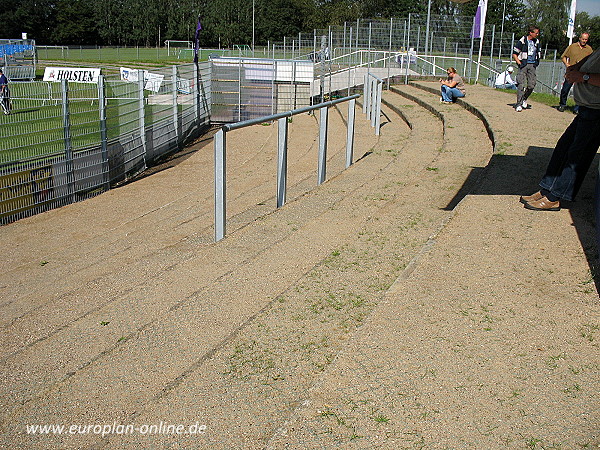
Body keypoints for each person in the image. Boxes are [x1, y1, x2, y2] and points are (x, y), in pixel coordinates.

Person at [520, 50, 600, 211]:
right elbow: (585, 61)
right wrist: (575, 68)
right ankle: (548, 188)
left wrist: (583, 77)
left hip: (596, 110)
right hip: (587, 107)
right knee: (564, 147)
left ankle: (556, 196)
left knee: (577, 155)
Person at [558, 32, 593, 112]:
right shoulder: (572, 47)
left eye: (586, 39)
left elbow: (591, 61)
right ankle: (562, 104)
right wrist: (567, 65)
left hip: (582, 73)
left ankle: (577, 107)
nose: (584, 41)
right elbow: (563, 57)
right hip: (572, 71)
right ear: (580, 38)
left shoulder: (589, 49)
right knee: (565, 89)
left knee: (581, 91)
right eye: (583, 39)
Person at [513, 26, 541, 112]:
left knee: (532, 85)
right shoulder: (522, 40)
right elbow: (514, 53)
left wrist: (536, 62)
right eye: (536, 33)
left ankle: (524, 98)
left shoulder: (537, 42)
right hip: (523, 64)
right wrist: (519, 62)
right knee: (521, 84)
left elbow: (538, 52)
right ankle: (518, 103)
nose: (537, 34)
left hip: (532, 65)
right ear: (530, 33)